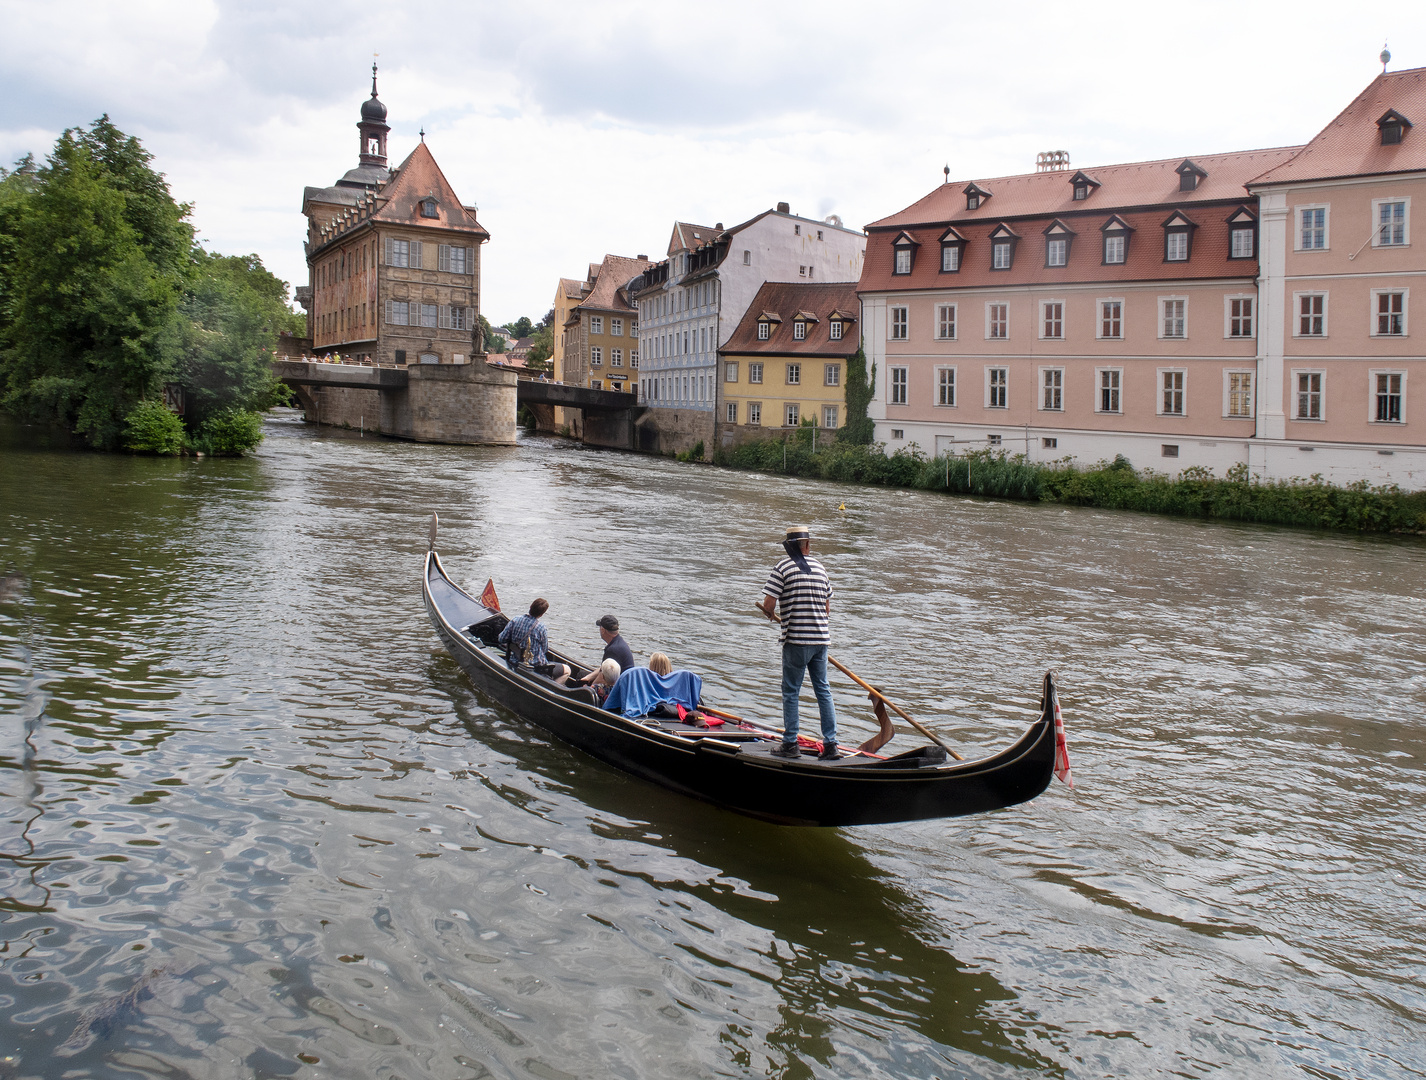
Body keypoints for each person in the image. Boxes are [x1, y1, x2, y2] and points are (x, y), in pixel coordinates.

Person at [759, 525, 838, 759]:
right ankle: (831, 744)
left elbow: (769, 605)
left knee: (791, 691)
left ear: (789, 546)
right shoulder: (821, 568)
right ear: (807, 545)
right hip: (821, 640)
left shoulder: (783, 567)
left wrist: (768, 613)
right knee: (823, 690)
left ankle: (790, 744)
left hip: (796, 640)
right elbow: (827, 608)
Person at [497, 598, 570, 682]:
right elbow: (545, 649)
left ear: (530, 607)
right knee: (567, 670)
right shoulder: (541, 628)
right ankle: (554, 688)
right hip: (536, 667)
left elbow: (501, 639)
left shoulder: (515, 620)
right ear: (541, 614)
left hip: (515, 661)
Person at [581, 615, 634, 687]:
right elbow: (603, 669)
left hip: (619, 688)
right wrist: (588, 678)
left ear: (603, 630)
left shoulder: (613, 650)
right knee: (582, 674)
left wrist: (588, 689)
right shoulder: (618, 643)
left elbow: (601, 678)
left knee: (580, 679)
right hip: (624, 683)